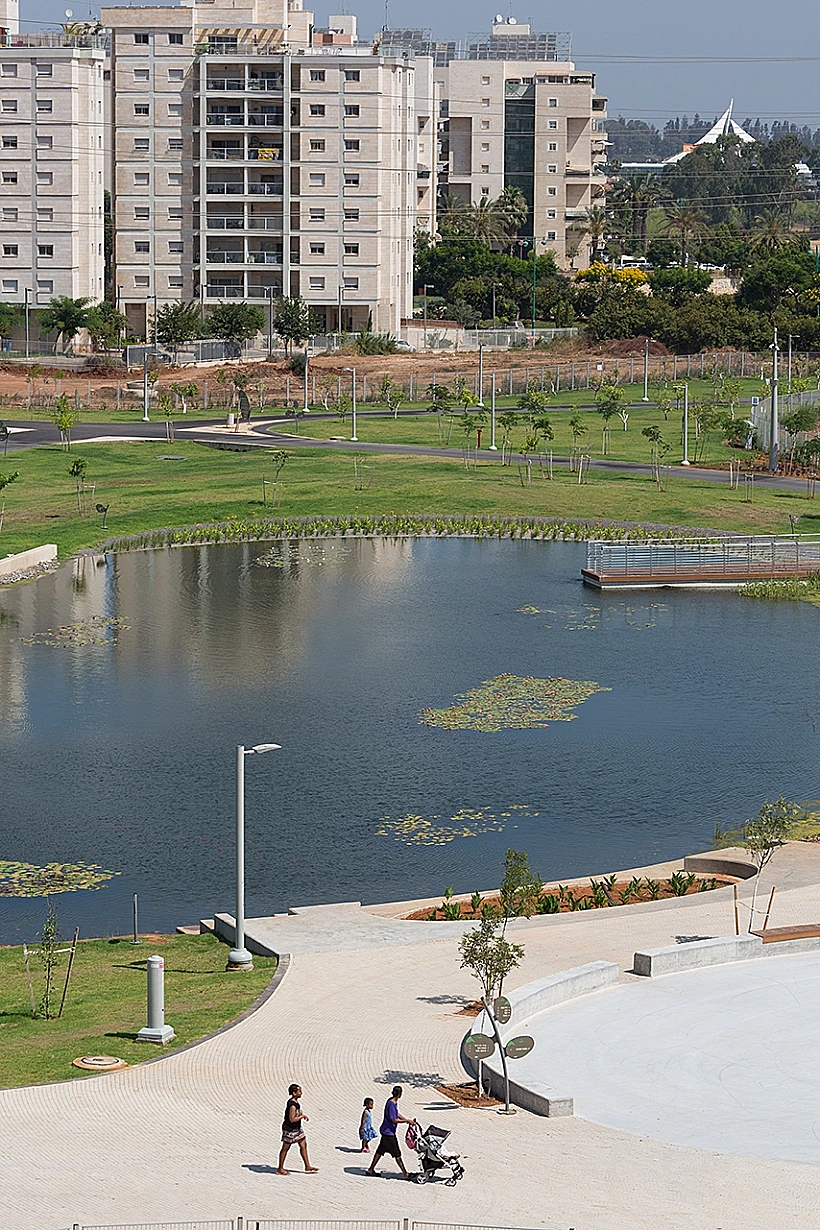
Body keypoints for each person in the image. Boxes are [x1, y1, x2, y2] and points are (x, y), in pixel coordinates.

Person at [366, 1085, 416, 1179]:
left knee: (380, 1151)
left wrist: (407, 1120)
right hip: (389, 1133)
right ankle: (405, 1174)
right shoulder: (392, 1103)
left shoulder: (392, 1101)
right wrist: (406, 1121)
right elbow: (394, 1119)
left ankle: (370, 1169)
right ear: (400, 1094)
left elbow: (396, 1113)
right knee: (397, 1154)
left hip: (386, 1131)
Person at [277, 1083, 318, 1175]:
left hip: (297, 1128)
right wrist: (302, 1116)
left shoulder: (296, 1103)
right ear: (294, 1093)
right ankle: (280, 1168)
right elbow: (292, 1119)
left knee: (303, 1144)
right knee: (285, 1148)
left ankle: (307, 1166)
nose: (301, 1093)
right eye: (299, 1091)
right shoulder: (292, 1105)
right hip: (290, 1129)